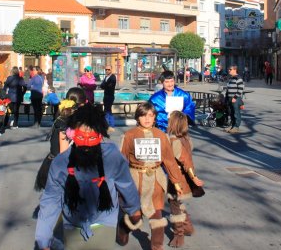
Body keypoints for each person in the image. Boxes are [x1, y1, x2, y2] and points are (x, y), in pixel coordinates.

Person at [35, 103, 142, 250]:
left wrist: (133, 207)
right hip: (73, 225)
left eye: (90, 136)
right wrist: (43, 238)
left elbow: (126, 185)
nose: (86, 141)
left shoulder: (112, 156)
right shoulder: (61, 163)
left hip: (104, 223)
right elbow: (51, 200)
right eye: (82, 135)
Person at [118, 102, 184, 250]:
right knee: (135, 216)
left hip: (156, 180)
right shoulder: (129, 135)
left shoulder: (161, 136)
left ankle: (156, 246)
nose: (147, 119)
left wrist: (177, 182)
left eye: (150, 115)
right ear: (137, 117)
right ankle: (123, 227)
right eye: (143, 115)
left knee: (157, 215)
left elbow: (169, 161)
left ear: (155, 117)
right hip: (135, 179)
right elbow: (121, 161)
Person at [166, 111, 204, 248]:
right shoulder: (186, 138)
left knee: (174, 207)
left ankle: (179, 235)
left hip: (177, 180)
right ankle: (188, 228)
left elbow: (185, 160)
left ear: (173, 123)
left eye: (169, 120)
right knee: (177, 203)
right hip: (183, 178)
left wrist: (195, 178)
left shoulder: (174, 141)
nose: (167, 121)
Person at [224, 65, 245, 133]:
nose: (229, 70)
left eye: (230, 69)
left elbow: (241, 89)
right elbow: (228, 88)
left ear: (235, 70)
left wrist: (235, 97)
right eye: (228, 69)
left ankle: (236, 127)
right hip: (230, 98)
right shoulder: (231, 78)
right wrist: (226, 96)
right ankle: (232, 125)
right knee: (231, 113)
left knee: (236, 113)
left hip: (235, 98)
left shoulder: (238, 78)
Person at [100, 65, 117, 132]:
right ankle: (108, 125)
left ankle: (110, 125)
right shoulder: (106, 77)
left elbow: (108, 86)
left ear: (111, 70)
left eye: (108, 69)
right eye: (106, 69)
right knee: (107, 110)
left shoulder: (113, 77)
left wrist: (105, 85)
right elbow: (102, 85)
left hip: (110, 96)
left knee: (108, 111)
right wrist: (105, 85)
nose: (107, 71)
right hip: (106, 95)